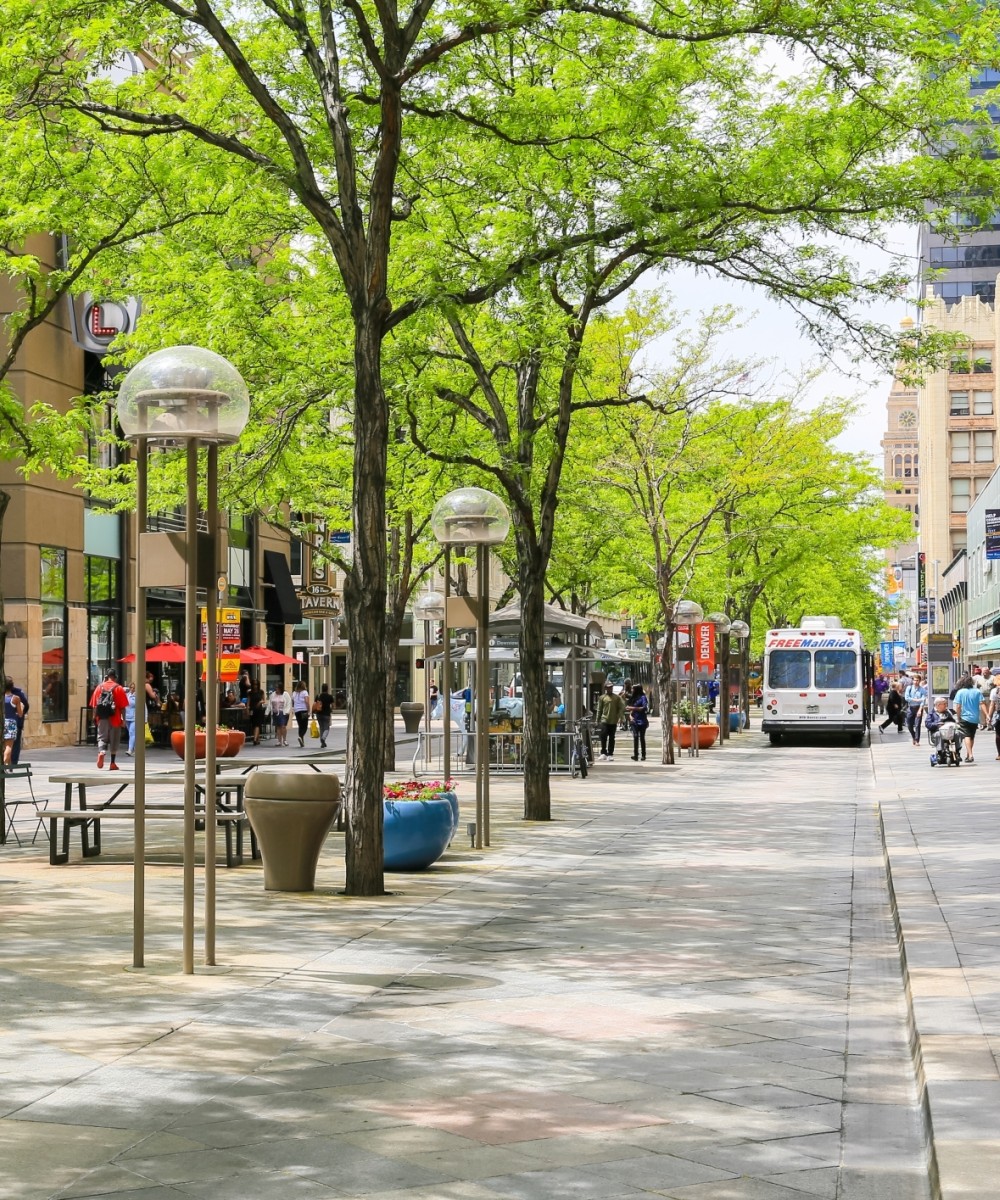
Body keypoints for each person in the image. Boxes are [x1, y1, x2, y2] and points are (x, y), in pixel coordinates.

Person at [89, 668, 128, 770]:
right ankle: (112, 763)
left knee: (102, 737)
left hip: (102, 718)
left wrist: (94, 717)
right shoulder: (119, 688)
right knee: (114, 741)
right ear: (115, 677)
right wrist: (123, 720)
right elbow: (123, 707)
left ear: (106, 677)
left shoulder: (99, 688)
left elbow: (94, 705)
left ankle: (101, 752)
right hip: (115, 719)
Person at [952, 673, 988, 763]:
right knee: (972, 736)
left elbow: (958, 706)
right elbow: (982, 703)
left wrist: (958, 716)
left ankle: (970, 754)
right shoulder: (977, 691)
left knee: (966, 736)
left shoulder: (960, 692)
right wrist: (987, 714)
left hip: (965, 717)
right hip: (975, 718)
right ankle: (968, 754)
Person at [926, 696, 960, 765]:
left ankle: (957, 751)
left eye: (946, 704)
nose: (946, 705)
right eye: (944, 704)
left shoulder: (948, 713)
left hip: (948, 733)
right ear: (938, 705)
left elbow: (953, 721)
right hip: (936, 733)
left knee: (957, 733)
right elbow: (928, 724)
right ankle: (940, 753)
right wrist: (937, 724)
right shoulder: (931, 714)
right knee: (939, 734)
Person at [596, 682, 626, 762]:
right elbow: (599, 710)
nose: (610, 689)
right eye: (608, 687)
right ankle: (603, 752)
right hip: (604, 720)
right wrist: (597, 720)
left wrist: (620, 717)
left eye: (611, 687)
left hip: (613, 721)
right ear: (605, 688)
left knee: (612, 738)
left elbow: (622, 707)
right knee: (603, 737)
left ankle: (610, 754)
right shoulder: (602, 698)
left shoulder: (617, 698)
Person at [4, 676, 29, 765]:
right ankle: (6, 764)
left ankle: (8, 765)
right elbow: (21, 713)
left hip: (2, 722)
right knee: (9, 746)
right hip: (11, 723)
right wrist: (21, 707)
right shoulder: (16, 697)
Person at [626, 684, 649, 762]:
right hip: (634, 721)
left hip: (642, 721)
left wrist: (632, 708)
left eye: (633, 689)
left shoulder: (643, 698)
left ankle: (643, 755)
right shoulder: (633, 698)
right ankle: (636, 755)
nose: (632, 690)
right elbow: (628, 709)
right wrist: (630, 716)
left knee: (642, 737)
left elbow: (644, 708)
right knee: (635, 737)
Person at [904, 673, 927, 747]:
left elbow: (923, 701)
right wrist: (916, 700)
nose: (915, 682)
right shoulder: (909, 688)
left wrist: (920, 710)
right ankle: (914, 736)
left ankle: (917, 740)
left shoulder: (922, 690)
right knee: (909, 725)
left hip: (918, 708)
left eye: (917, 680)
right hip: (910, 708)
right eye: (914, 680)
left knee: (917, 725)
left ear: (919, 681)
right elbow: (907, 698)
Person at [270, 681, 292, 746]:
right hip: (276, 712)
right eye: (275, 687)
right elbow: (270, 703)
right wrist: (267, 712)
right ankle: (279, 741)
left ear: (280, 688)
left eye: (277, 687)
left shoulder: (285, 694)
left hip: (283, 712)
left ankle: (285, 740)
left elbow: (289, 703)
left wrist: (287, 711)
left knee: (283, 726)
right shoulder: (273, 694)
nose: (276, 689)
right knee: (278, 727)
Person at [314, 682, 334, 748]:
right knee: (326, 728)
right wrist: (331, 709)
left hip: (319, 714)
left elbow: (315, 704)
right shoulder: (330, 696)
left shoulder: (318, 696)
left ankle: (322, 743)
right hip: (326, 714)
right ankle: (323, 738)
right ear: (327, 689)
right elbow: (333, 705)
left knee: (321, 728)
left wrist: (312, 713)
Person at [292, 679, 311, 747]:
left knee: (300, 725)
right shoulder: (305, 692)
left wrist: (293, 709)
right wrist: (309, 710)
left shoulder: (294, 693)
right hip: (303, 710)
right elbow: (306, 701)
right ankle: (301, 736)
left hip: (297, 711)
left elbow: (293, 702)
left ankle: (301, 740)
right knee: (305, 726)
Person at [248, 678, 266, 745]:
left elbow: (264, 700)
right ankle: (257, 739)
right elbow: (248, 702)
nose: (255, 686)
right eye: (254, 684)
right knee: (254, 725)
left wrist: (260, 702)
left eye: (256, 684)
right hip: (252, 710)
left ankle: (255, 739)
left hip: (259, 710)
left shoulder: (261, 692)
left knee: (257, 725)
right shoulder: (250, 692)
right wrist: (247, 709)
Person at [123, 682, 137, 756]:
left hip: (134, 717)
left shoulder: (137, 696)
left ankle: (130, 750)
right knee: (131, 733)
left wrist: (145, 718)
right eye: (131, 687)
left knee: (132, 733)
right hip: (127, 717)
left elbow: (143, 707)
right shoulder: (126, 695)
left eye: (133, 688)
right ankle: (135, 749)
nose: (132, 689)